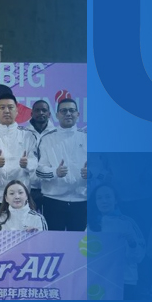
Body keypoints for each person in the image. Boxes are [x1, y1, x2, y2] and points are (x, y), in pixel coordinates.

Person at [0, 94, 39, 218]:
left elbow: (36, 165)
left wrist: (27, 164)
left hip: (20, 198)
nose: (6, 111)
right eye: (2, 107)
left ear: (17, 111)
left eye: (10, 107)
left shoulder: (28, 135)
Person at [36, 99, 90, 231]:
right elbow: (39, 171)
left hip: (81, 200)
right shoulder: (47, 138)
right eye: (64, 111)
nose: (68, 114)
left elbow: (100, 169)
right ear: (57, 115)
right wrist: (55, 172)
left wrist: (91, 173)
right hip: (53, 200)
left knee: (79, 241)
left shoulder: (87, 138)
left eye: (72, 110)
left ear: (78, 114)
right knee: (53, 241)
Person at [91, 184, 146, 300]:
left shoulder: (127, 223)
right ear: (95, 202)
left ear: (115, 200)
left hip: (125, 280)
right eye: (99, 198)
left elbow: (138, 258)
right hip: (99, 280)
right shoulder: (90, 226)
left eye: (108, 197)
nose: (104, 201)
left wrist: (132, 243)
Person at [24, 100, 57, 212]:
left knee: (50, 220)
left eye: (44, 110)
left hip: (51, 187)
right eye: (37, 110)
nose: (41, 113)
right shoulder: (24, 133)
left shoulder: (56, 134)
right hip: (29, 188)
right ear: (31, 113)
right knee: (30, 220)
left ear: (49, 114)